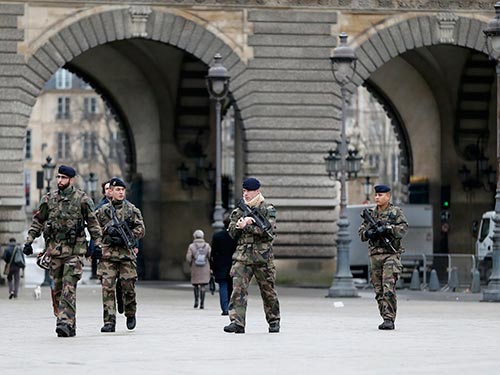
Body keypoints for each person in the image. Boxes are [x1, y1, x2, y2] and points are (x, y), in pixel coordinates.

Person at [23, 165, 103, 337]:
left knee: (69, 286)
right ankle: (68, 324)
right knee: (57, 289)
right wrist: (29, 241)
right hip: (54, 251)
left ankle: (64, 322)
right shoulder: (49, 199)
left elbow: (93, 224)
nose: (60, 181)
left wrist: (98, 245)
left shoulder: (82, 199)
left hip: (75, 251)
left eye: (63, 178)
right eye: (58, 177)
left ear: (71, 180)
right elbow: (38, 221)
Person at [224, 177, 280, 334]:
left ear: (257, 191)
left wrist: (249, 224)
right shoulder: (239, 211)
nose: (246, 194)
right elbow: (231, 233)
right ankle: (237, 322)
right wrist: (240, 225)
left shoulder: (268, 209)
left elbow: (268, 233)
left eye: (248, 191)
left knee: (268, 291)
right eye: (244, 191)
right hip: (243, 257)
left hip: (263, 258)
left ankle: (274, 320)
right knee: (237, 289)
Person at [95, 177, 145, 333]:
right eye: (117, 190)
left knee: (128, 286)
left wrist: (128, 234)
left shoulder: (132, 210)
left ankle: (130, 313)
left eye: (122, 190)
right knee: (107, 288)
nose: (120, 192)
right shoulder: (103, 211)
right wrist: (106, 232)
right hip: (108, 255)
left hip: (126, 255)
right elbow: (93, 228)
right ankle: (109, 321)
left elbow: (141, 229)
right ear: (111, 192)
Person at [358, 184, 408, 330]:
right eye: (376, 195)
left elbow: (403, 229)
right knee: (378, 290)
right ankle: (384, 315)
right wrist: (369, 233)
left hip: (390, 255)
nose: (377, 198)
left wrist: (388, 228)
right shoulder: (371, 214)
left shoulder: (395, 212)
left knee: (388, 287)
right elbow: (361, 233)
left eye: (380, 195)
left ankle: (389, 319)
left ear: (388, 196)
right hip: (375, 256)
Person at [210, 215, 236, 315]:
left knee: (223, 286)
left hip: (220, 264)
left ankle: (225, 308)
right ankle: (231, 307)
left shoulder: (217, 236)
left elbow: (213, 253)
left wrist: (212, 266)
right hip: (233, 263)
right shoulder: (236, 236)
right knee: (232, 286)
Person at [186, 229, 211, 309]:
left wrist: (190, 263)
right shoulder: (207, 246)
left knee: (195, 285)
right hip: (205, 267)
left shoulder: (192, 246)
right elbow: (210, 256)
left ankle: (196, 301)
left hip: (195, 267)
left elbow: (188, 258)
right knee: (203, 286)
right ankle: (202, 303)